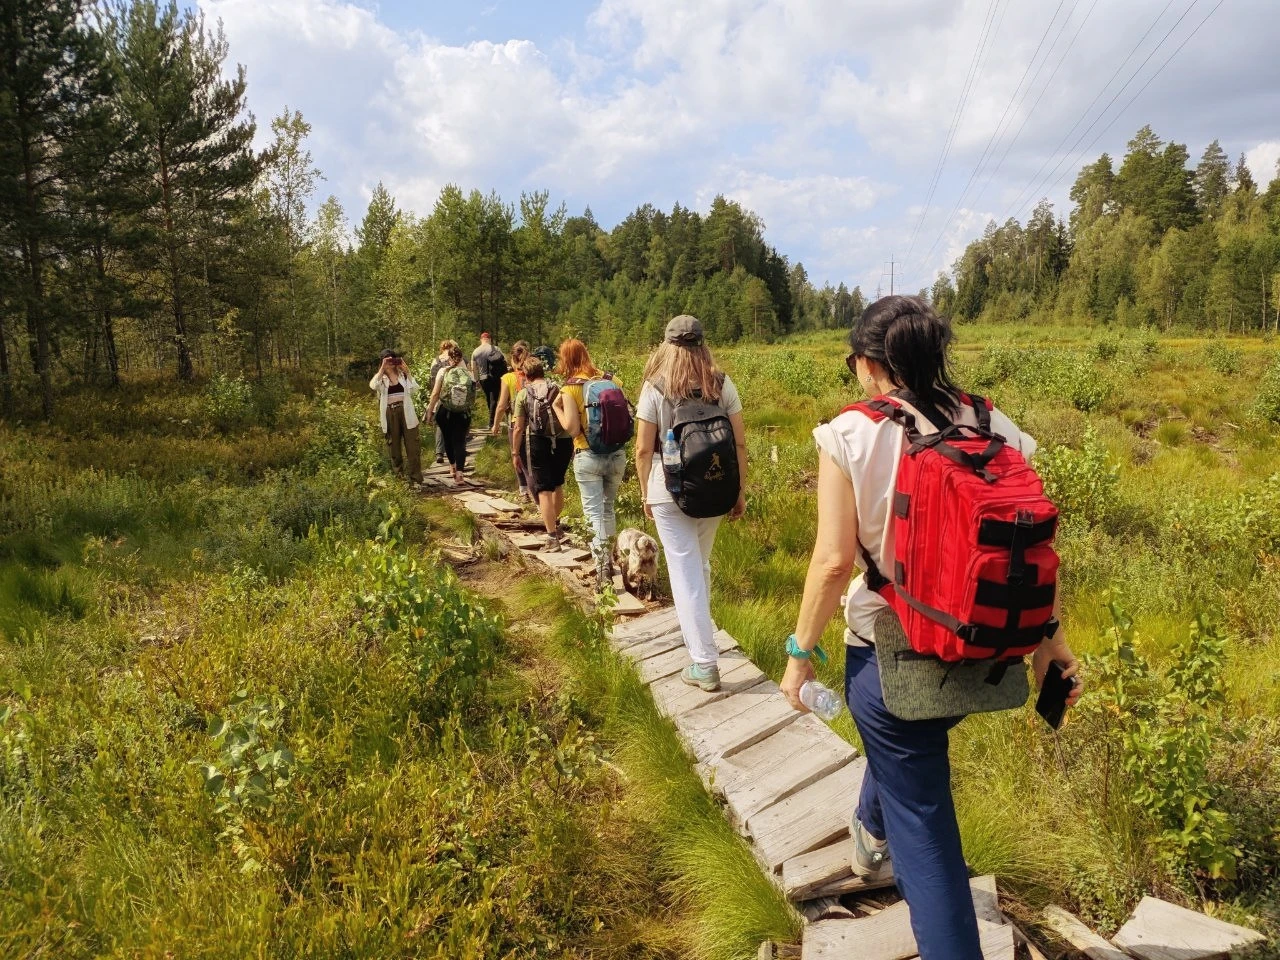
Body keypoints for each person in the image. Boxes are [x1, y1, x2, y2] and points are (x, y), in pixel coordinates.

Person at [779, 296, 1084, 960]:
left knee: (927, 833)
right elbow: (1029, 533)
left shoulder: (849, 434)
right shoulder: (988, 419)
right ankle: (867, 828)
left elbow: (833, 562)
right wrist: (1051, 645)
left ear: (868, 364)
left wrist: (799, 655)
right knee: (903, 757)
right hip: (987, 651)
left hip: (892, 662)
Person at [635, 315, 747, 691]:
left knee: (684, 574)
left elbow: (641, 449)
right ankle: (703, 642)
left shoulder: (655, 387)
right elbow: (739, 443)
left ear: (666, 344)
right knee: (699, 565)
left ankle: (704, 662)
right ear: (702, 343)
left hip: (668, 490)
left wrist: (645, 492)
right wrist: (739, 490)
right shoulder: (720, 382)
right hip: (716, 488)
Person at [554, 338, 627, 586]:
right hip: (617, 454)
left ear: (565, 359)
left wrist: (557, 408)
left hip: (588, 456)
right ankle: (613, 561)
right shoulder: (611, 380)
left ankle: (602, 570)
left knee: (593, 513)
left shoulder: (570, 388)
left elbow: (572, 429)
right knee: (608, 508)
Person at [512, 356, 574, 549]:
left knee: (543, 490)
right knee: (557, 485)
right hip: (563, 441)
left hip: (538, 441)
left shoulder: (523, 394)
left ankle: (552, 536)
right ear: (542, 371)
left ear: (525, 375)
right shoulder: (558, 389)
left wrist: (515, 452)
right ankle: (555, 524)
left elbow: (519, 428)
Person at [369, 349, 423, 487]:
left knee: (413, 447)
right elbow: (373, 385)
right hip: (390, 413)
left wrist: (407, 371)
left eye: (392, 358)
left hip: (407, 413)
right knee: (395, 448)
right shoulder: (381, 378)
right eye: (386, 359)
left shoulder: (402, 375)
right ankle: (399, 480)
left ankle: (415, 479)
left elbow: (415, 389)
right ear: (382, 361)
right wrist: (382, 369)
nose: (390, 362)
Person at [427, 343, 477, 485]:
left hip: (445, 411)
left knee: (448, 439)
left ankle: (452, 467)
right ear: (462, 358)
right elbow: (473, 396)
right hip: (462, 413)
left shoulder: (443, 371)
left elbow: (436, 393)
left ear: (449, 358)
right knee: (460, 441)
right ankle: (460, 475)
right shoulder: (469, 374)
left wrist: (430, 411)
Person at [492, 340, 531, 500]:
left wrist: (495, 425)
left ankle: (524, 490)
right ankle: (537, 488)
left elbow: (501, 405)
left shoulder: (508, 378)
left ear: (512, 359)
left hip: (515, 421)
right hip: (535, 421)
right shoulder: (534, 374)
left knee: (518, 455)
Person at [427, 340, 457, 464]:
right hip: (455, 397)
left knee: (440, 423)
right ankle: (455, 451)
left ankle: (439, 452)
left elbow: (431, 378)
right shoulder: (456, 359)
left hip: (440, 396)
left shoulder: (436, 360)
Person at [471, 332, 506, 430]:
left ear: (481, 339)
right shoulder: (496, 349)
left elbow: (474, 368)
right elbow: (504, 361)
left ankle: (492, 421)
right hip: (496, 378)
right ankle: (492, 422)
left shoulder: (475, 351)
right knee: (494, 399)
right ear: (489, 339)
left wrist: (476, 380)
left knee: (488, 399)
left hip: (483, 379)